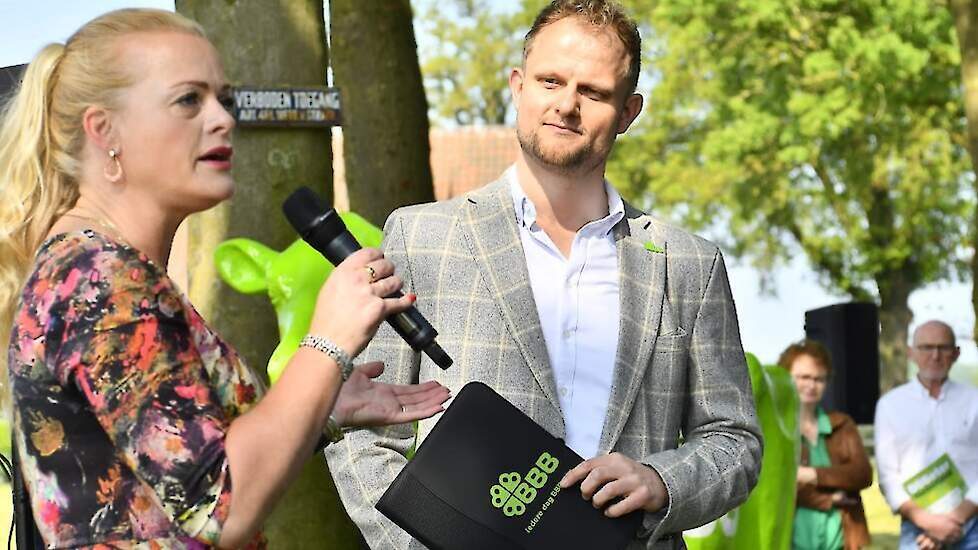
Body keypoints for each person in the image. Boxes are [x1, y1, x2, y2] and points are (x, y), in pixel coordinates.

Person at [0, 9, 450, 549]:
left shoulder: (97, 265)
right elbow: (219, 507)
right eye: (189, 100)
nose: (223, 119)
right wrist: (328, 342)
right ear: (104, 130)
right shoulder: (101, 280)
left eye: (224, 100)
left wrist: (322, 406)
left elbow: (170, 470)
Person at [324, 1, 763, 548]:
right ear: (518, 85)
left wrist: (661, 481)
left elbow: (734, 440)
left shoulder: (689, 266)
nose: (566, 105)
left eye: (594, 93)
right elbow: (367, 434)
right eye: (550, 81)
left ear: (629, 112)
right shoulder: (422, 237)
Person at [875, 320, 978, 550]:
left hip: (973, 524)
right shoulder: (890, 405)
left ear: (956, 353)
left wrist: (954, 520)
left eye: (943, 347)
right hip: (918, 529)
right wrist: (929, 522)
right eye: (926, 347)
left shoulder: (975, 401)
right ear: (911, 353)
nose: (935, 355)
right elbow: (888, 477)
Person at [777, 340, 872, 550]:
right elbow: (778, 486)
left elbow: (862, 474)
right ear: (785, 377)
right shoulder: (776, 429)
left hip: (841, 543)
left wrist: (810, 474)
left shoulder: (841, 424)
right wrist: (830, 499)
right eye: (804, 377)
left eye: (819, 379)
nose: (811, 385)